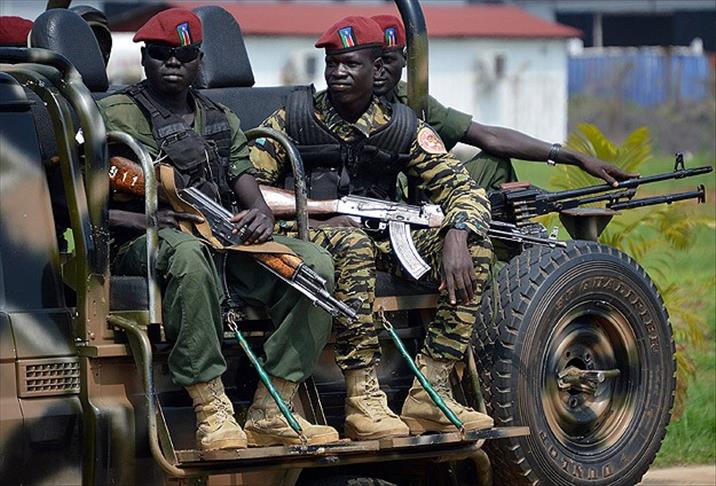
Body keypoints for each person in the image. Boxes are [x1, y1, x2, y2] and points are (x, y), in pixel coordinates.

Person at [97, 8, 339, 450]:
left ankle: (273, 407)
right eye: (161, 53)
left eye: (185, 55)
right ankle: (211, 409)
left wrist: (261, 217)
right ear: (145, 57)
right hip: (142, 241)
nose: (173, 62)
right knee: (189, 257)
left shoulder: (219, 117)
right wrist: (146, 219)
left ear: (200, 61)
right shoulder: (114, 113)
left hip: (218, 237)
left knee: (314, 264)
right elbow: (74, 199)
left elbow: (249, 192)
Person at [250, 16, 494, 437]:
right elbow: (250, 190)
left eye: (350, 64)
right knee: (353, 243)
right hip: (305, 234)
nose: (338, 72)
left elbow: (462, 188)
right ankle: (362, 396)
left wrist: (457, 233)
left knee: (477, 248)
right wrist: (320, 211)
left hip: (384, 236)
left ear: (377, 67)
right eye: (332, 63)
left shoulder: (401, 126)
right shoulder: (294, 117)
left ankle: (430, 389)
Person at [370, 14, 638, 192]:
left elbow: (489, 137)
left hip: (417, 203)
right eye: (372, 62)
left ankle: (513, 257)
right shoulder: (348, 104)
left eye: (388, 60)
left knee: (495, 163)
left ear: (406, 59)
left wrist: (577, 158)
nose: (378, 71)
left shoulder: (412, 100)